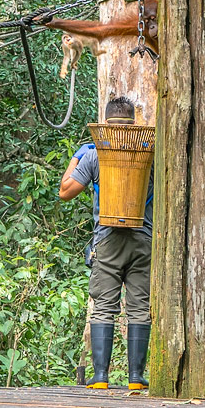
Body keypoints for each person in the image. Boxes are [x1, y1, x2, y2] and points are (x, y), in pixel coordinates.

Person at [59, 96, 151, 390]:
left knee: (103, 307)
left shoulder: (95, 153)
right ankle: (135, 379)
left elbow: (65, 192)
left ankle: (101, 378)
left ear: (105, 122)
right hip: (144, 239)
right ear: (133, 123)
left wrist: (77, 157)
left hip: (108, 239)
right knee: (139, 307)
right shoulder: (148, 149)